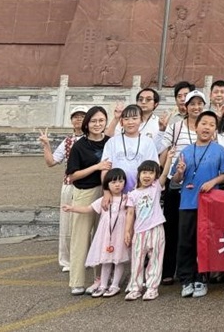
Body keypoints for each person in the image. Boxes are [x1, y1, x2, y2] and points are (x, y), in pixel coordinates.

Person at [173, 110, 224, 298]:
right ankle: (186, 279)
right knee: (186, 242)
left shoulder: (219, 150)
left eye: (212, 125)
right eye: (204, 123)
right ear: (196, 127)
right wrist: (180, 172)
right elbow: (176, 179)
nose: (207, 128)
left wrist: (213, 182)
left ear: (215, 130)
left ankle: (201, 279)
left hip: (209, 203)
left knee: (205, 242)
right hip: (187, 202)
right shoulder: (186, 151)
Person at [64, 106, 110, 295]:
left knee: (102, 236)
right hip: (85, 192)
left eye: (101, 120)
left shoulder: (110, 142)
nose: (97, 124)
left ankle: (101, 279)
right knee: (80, 238)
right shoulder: (79, 146)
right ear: (87, 124)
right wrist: (96, 167)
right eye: (93, 121)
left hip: (106, 192)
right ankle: (76, 281)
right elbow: (72, 175)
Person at [63, 168, 129, 298]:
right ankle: (103, 285)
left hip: (120, 234)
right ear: (107, 185)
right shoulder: (104, 200)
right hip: (106, 235)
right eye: (113, 182)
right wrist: (72, 208)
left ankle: (115, 285)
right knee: (105, 260)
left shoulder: (127, 199)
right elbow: (89, 208)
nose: (117, 185)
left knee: (119, 260)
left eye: (120, 181)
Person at [157, 84, 199, 284]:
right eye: (192, 104)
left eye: (200, 104)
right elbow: (162, 154)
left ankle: (193, 270)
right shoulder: (175, 128)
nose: (196, 107)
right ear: (186, 106)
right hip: (175, 182)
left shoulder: (209, 126)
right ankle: (168, 270)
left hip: (198, 185)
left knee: (194, 229)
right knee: (172, 226)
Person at [39, 109, 85, 272]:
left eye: (82, 117)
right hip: (70, 184)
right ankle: (67, 260)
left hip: (89, 185)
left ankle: (86, 258)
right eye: (76, 117)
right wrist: (46, 145)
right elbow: (51, 162)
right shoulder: (67, 141)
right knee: (67, 223)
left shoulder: (94, 139)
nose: (79, 120)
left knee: (86, 223)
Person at [123, 160, 166, 302]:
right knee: (137, 261)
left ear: (155, 176)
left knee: (155, 259)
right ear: (139, 174)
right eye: (144, 172)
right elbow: (130, 213)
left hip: (156, 229)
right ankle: (135, 288)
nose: (147, 176)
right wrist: (127, 231)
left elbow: (164, 175)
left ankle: (152, 288)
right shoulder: (133, 194)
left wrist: (169, 158)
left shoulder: (156, 188)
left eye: (151, 173)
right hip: (139, 231)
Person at [102, 104, 156, 193]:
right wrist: (106, 192)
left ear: (141, 120)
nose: (130, 122)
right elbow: (105, 169)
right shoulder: (112, 142)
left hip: (141, 192)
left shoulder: (148, 142)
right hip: (116, 194)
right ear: (121, 122)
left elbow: (153, 169)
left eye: (134, 118)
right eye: (126, 119)